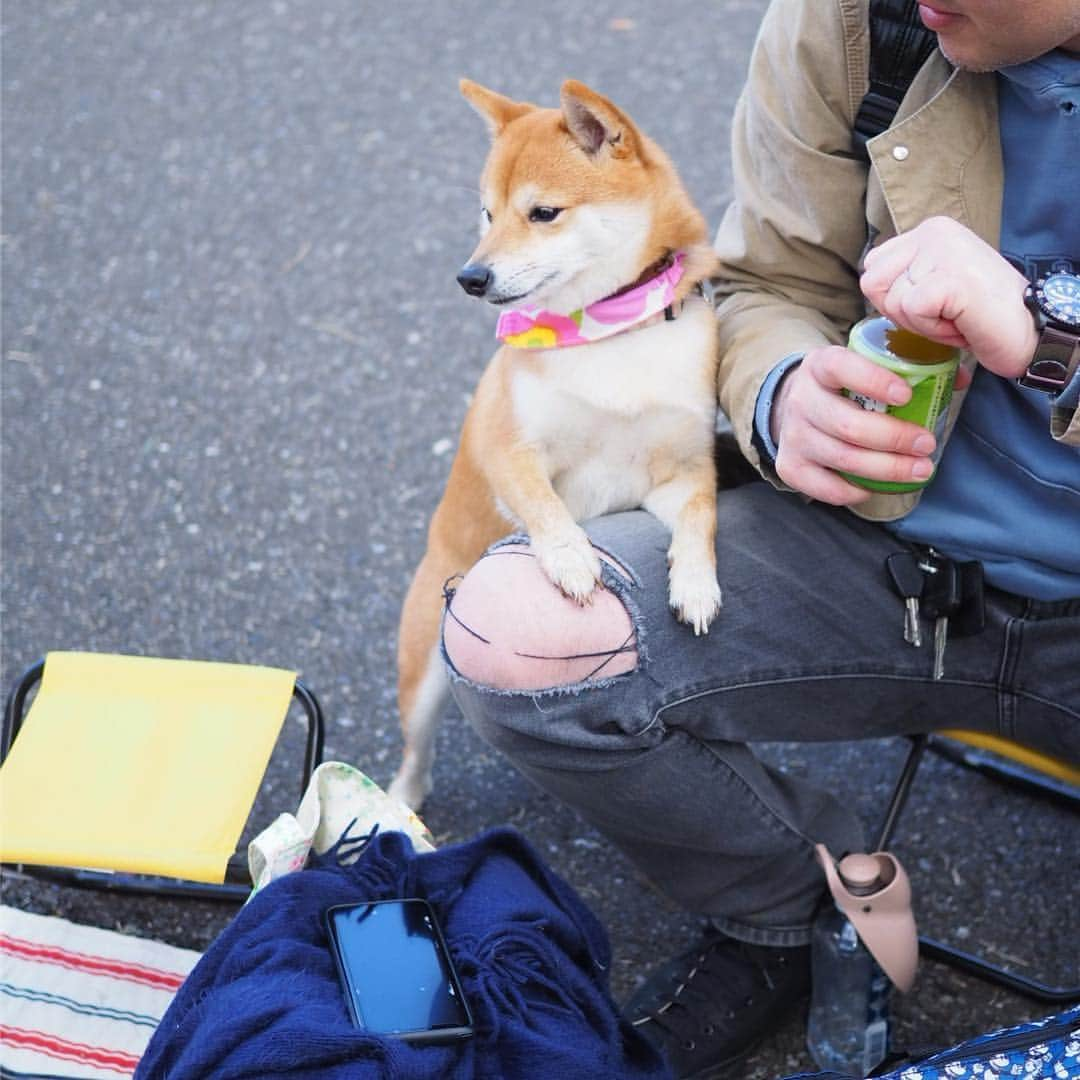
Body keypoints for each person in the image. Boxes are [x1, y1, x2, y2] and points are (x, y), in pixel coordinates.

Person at [440, 0, 1080, 1075]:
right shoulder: (857, 19)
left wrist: (1049, 337)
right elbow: (768, 282)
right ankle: (794, 905)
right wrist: (780, 395)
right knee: (519, 640)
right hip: (885, 563)